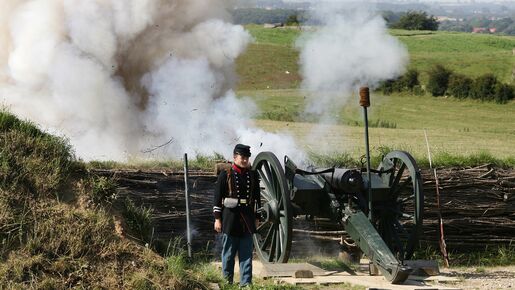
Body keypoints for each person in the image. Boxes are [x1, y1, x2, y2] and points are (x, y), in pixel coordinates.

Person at [213, 144, 260, 286]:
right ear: (235, 157)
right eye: (242, 157)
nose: (245, 160)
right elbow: (217, 198)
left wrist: (257, 218)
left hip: (247, 219)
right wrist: (217, 219)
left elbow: (257, 199)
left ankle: (246, 284)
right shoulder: (225, 174)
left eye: (247, 158)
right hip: (230, 219)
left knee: (246, 254)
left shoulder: (252, 175)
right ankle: (227, 282)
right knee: (228, 254)